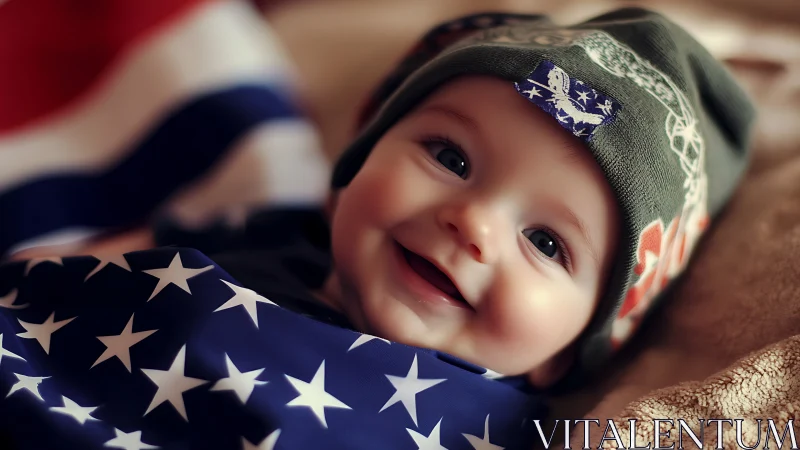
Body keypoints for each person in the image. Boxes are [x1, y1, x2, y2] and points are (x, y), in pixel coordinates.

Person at [0, 7, 755, 450]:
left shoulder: (506, 429)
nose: (473, 223)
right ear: (353, 169)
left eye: (548, 243)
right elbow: (99, 281)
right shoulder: (265, 237)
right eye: (450, 155)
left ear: (570, 352)